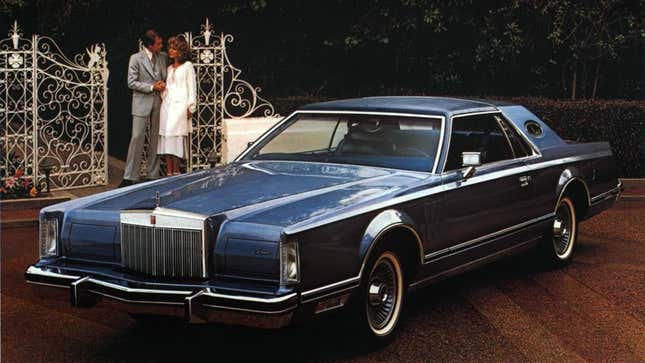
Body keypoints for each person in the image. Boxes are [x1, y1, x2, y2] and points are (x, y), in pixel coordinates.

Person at [120, 29, 168, 187]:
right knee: (137, 137)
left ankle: (152, 174)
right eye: (159, 43)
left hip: (159, 102)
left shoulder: (163, 57)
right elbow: (131, 82)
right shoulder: (135, 58)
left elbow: (169, 74)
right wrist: (152, 87)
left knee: (156, 138)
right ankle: (130, 176)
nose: (162, 45)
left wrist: (162, 84)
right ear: (150, 45)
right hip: (142, 101)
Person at [157, 36, 196, 176]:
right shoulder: (168, 68)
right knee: (167, 136)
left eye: (174, 48)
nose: (170, 51)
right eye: (170, 48)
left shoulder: (188, 66)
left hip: (180, 106)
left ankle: (176, 171)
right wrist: (162, 89)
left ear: (181, 51)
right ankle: (168, 171)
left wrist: (191, 106)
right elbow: (168, 88)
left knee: (177, 137)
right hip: (167, 106)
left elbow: (191, 87)